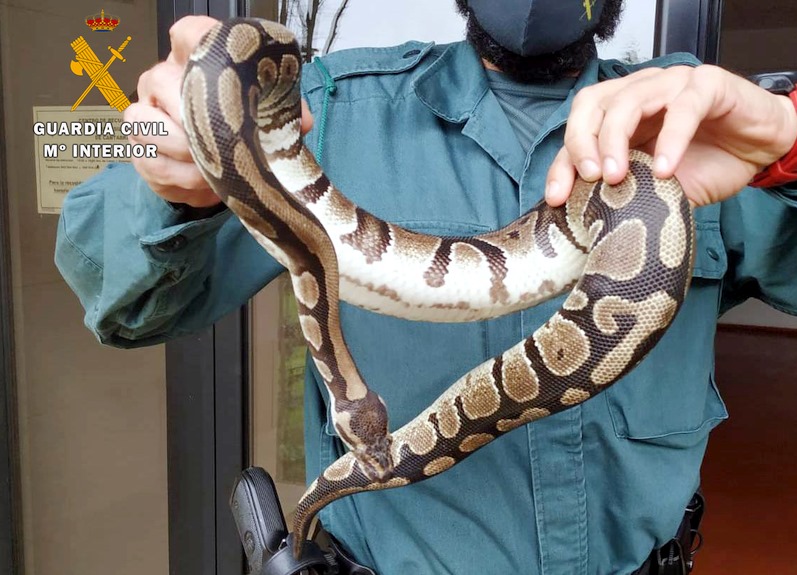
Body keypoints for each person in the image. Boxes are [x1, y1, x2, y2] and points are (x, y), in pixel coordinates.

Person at [55, 1, 797, 573]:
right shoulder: (323, 110)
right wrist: (178, 184)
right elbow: (120, 299)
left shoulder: (696, 125)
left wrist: (786, 144)